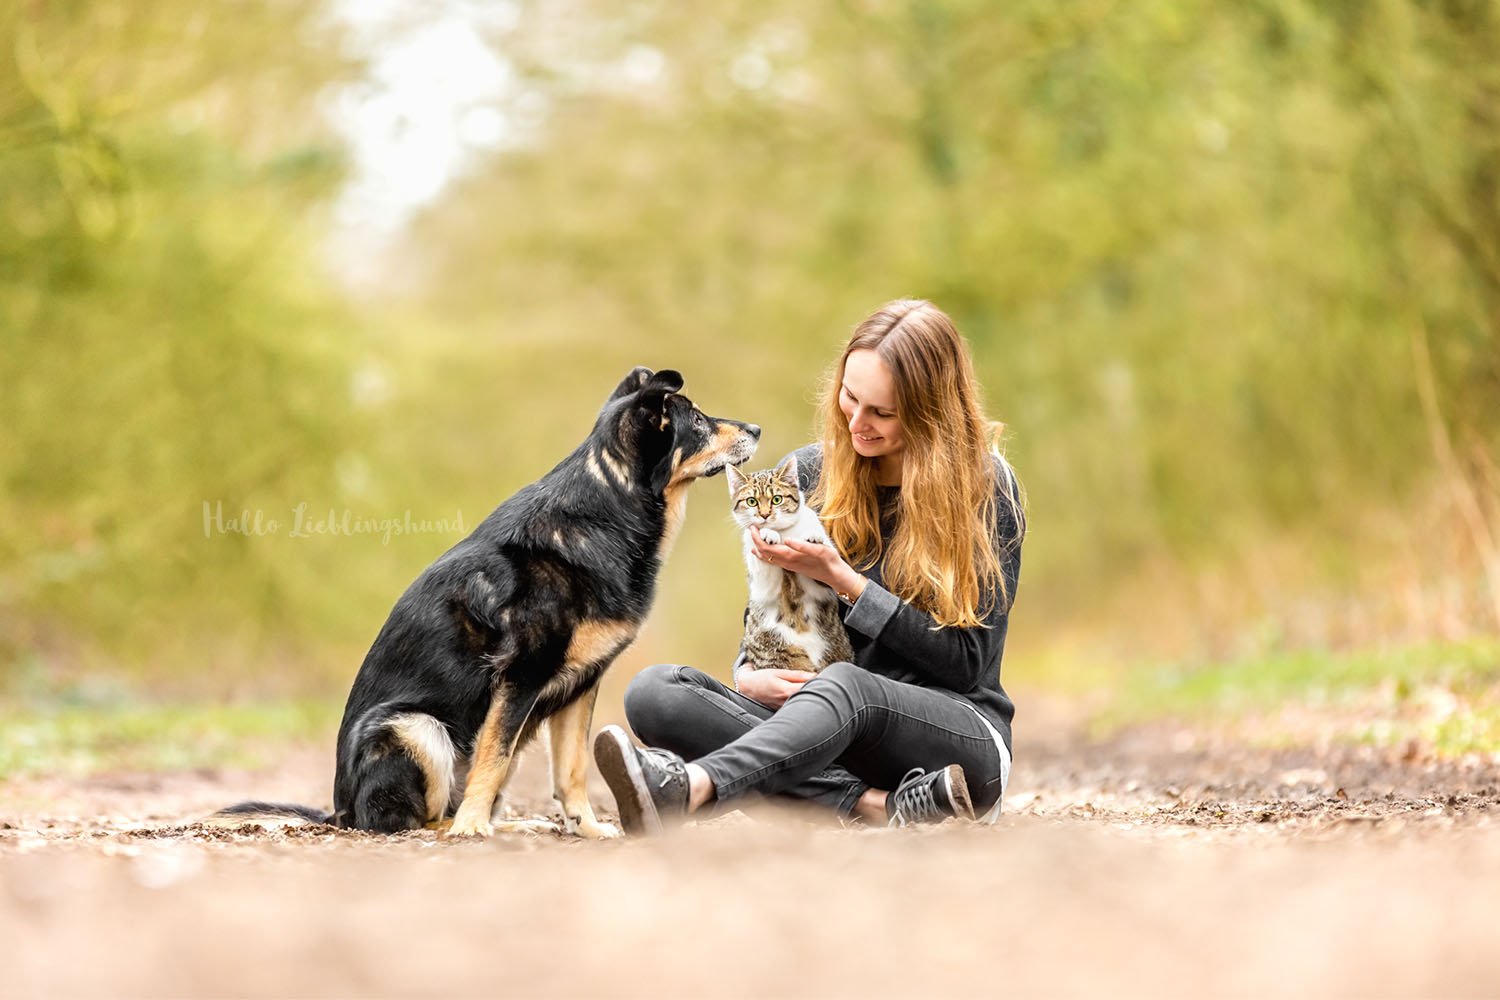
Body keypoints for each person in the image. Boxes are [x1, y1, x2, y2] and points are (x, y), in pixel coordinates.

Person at [593, 299, 1025, 832]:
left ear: (929, 412)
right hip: (825, 731)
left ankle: (691, 787)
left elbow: (966, 664)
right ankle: (880, 805)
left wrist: (842, 579)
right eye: (850, 397)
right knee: (656, 693)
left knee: (847, 685)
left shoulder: (985, 487)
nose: (857, 423)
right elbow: (770, 611)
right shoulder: (809, 472)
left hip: (955, 740)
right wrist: (749, 676)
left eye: (882, 413)